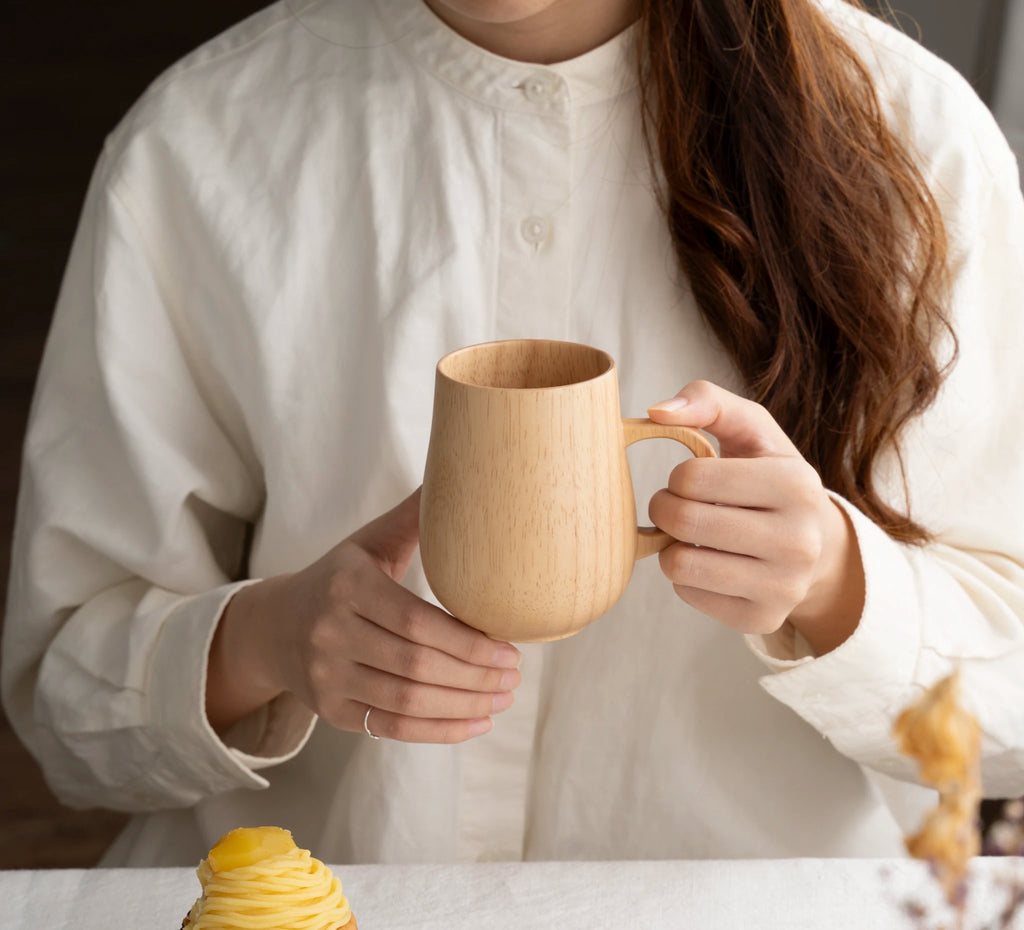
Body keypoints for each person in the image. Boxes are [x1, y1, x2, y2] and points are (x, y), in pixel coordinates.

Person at [3, 0, 1024, 867]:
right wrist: (267, 641)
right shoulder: (200, 141)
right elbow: (66, 702)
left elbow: (1007, 736)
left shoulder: (913, 137)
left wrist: (838, 584)